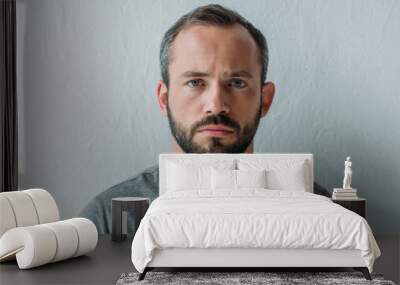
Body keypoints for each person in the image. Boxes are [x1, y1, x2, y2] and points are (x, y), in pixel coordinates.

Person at [80, 4, 330, 234]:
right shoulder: (108, 218)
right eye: (195, 82)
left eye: (237, 83)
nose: (216, 105)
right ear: (164, 99)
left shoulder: (317, 208)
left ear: (265, 100)